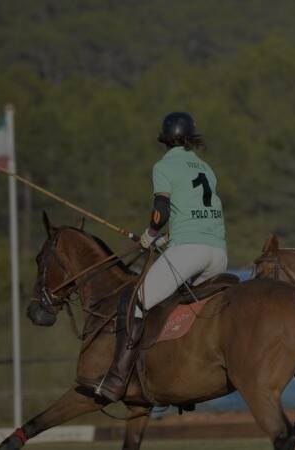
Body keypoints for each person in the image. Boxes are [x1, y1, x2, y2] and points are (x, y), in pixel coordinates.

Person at [93, 112, 228, 401]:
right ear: (191, 136)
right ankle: (179, 376)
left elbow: (162, 211)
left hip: (189, 251)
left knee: (135, 302)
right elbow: (197, 212)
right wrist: (169, 237)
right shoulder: (206, 167)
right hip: (218, 253)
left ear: (165, 139)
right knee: (175, 304)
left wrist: (151, 234)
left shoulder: (164, 166)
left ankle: (117, 378)